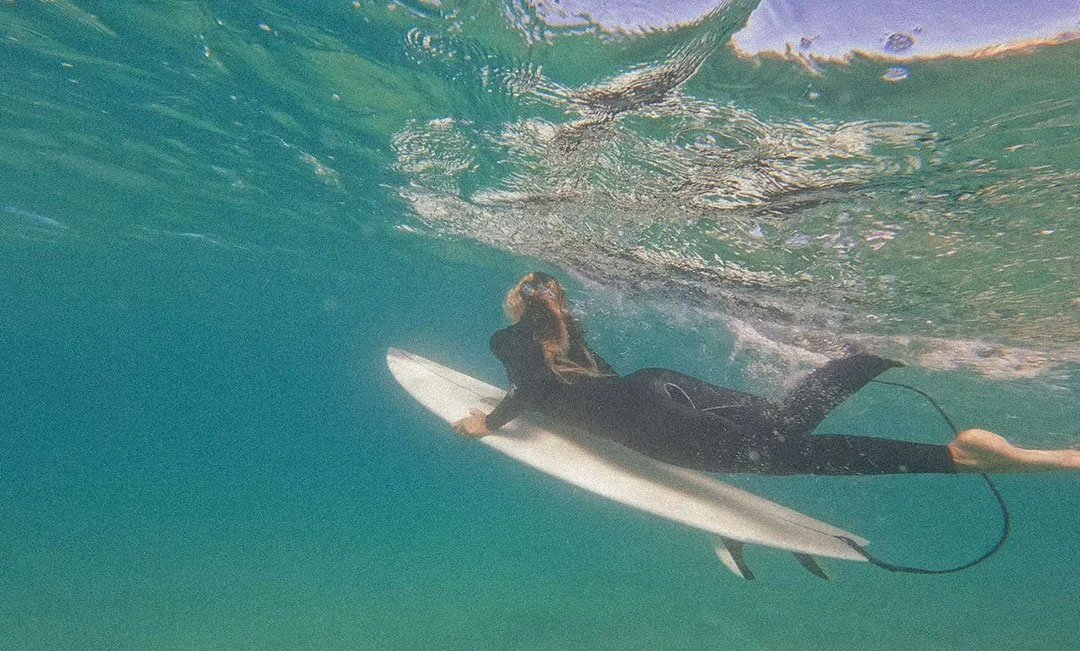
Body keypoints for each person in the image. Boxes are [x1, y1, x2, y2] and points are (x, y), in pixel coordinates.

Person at [452, 272, 1080, 475]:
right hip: (657, 383)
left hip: (651, 420)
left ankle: (872, 368)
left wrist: (491, 421)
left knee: (782, 452)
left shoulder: (508, 337)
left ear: (516, 306)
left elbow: (532, 389)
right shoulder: (574, 336)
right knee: (783, 425)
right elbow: (594, 386)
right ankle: (942, 432)